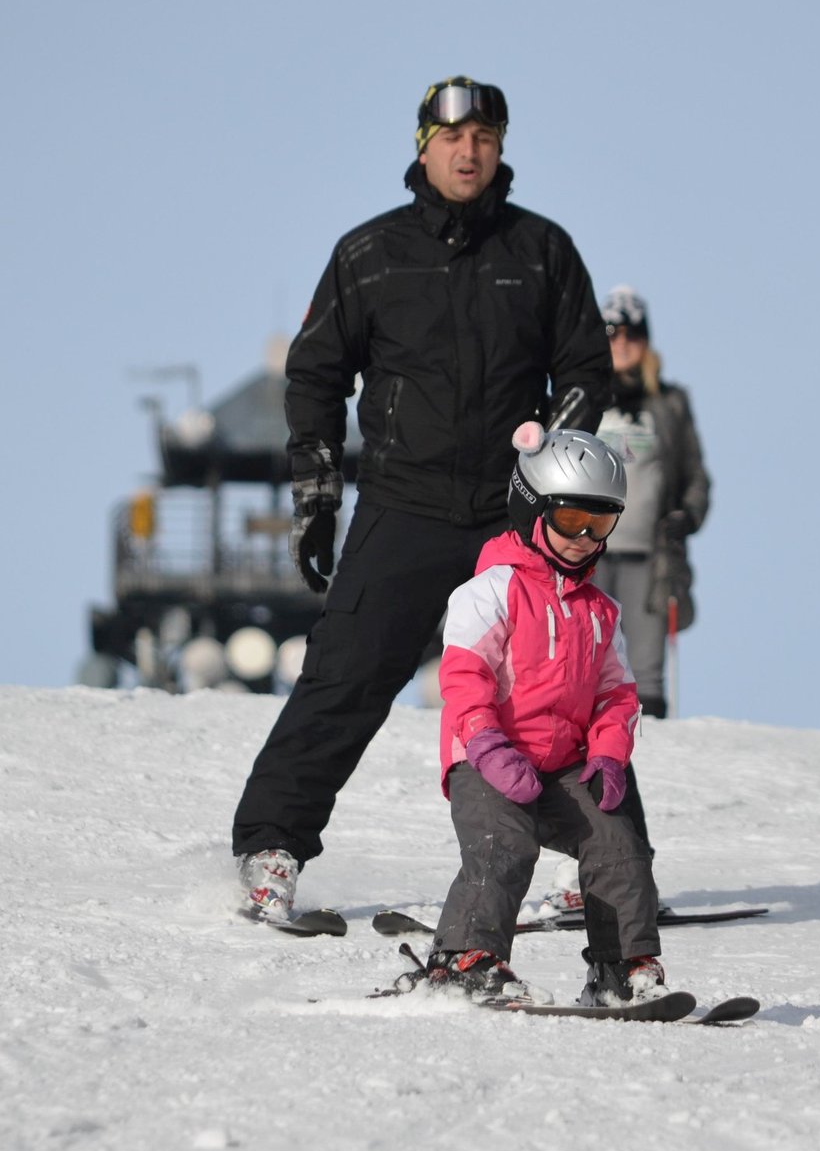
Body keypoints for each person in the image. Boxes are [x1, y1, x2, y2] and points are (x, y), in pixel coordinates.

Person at [232, 76, 613, 920]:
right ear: (422, 146)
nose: (467, 151)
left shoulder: (542, 251)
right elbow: (317, 373)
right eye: (451, 138)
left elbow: (587, 363)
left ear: (502, 146)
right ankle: (271, 853)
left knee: (553, 688)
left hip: (512, 514)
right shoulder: (370, 252)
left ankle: (585, 867)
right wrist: (317, 491)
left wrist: (556, 445)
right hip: (402, 504)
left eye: (483, 136)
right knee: (346, 678)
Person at [389, 422, 669, 1006]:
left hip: (565, 765)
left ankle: (623, 971)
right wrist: (487, 745)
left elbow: (616, 697)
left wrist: (610, 756)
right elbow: (465, 678)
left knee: (619, 844)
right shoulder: (490, 590)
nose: (584, 538)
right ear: (531, 508)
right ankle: (466, 959)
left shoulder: (603, 612)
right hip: (488, 758)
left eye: (601, 523)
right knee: (503, 845)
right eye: (571, 521)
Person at [593, 285, 711, 719]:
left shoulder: (668, 404)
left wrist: (687, 516)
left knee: (645, 669)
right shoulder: (581, 397)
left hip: (649, 553)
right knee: (588, 660)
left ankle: (653, 755)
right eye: (611, 333)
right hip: (586, 548)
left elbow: (695, 476)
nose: (622, 343)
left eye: (633, 334)